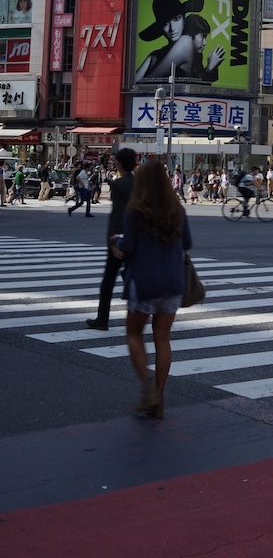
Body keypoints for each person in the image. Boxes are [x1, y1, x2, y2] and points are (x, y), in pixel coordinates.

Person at [111, 159, 192, 418]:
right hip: (173, 283)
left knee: (134, 332)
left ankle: (148, 389)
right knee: (163, 339)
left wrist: (117, 241)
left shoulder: (136, 211)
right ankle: (160, 395)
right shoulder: (177, 209)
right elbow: (187, 242)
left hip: (145, 283)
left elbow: (128, 247)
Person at [86, 148, 137, 331]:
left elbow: (118, 214)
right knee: (135, 278)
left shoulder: (119, 185)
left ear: (120, 163)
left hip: (120, 239)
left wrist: (113, 239)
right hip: (137, 238)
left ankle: (102, 319)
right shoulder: (140, 183)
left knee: (108, 281)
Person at [136, 0, 205, 81]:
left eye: (176, 19)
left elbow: (146, 82)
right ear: (161, 28)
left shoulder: (186, 42)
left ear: (184, 19)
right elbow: (134, 85)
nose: (172, 28)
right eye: (166, 23)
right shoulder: (155, 55)